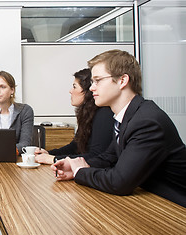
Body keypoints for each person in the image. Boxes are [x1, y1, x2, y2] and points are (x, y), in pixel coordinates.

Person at [52, 49, 186, 207]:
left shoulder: (146, 121)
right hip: (152, 201)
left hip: (175, 208)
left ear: (122, 81)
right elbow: (109, 157)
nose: (92, 88)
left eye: (98, 80)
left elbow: (119, 181)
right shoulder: (126, 116)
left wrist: (80, 171)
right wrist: (75, 165)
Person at [35, 69, 114, 164]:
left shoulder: (104, 113)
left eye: (74, 87)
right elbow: (74, 147)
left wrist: (54, 159)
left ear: (87, 91)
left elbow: (96, 155)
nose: (70, 91)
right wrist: (49, 154)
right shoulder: (87, 114)